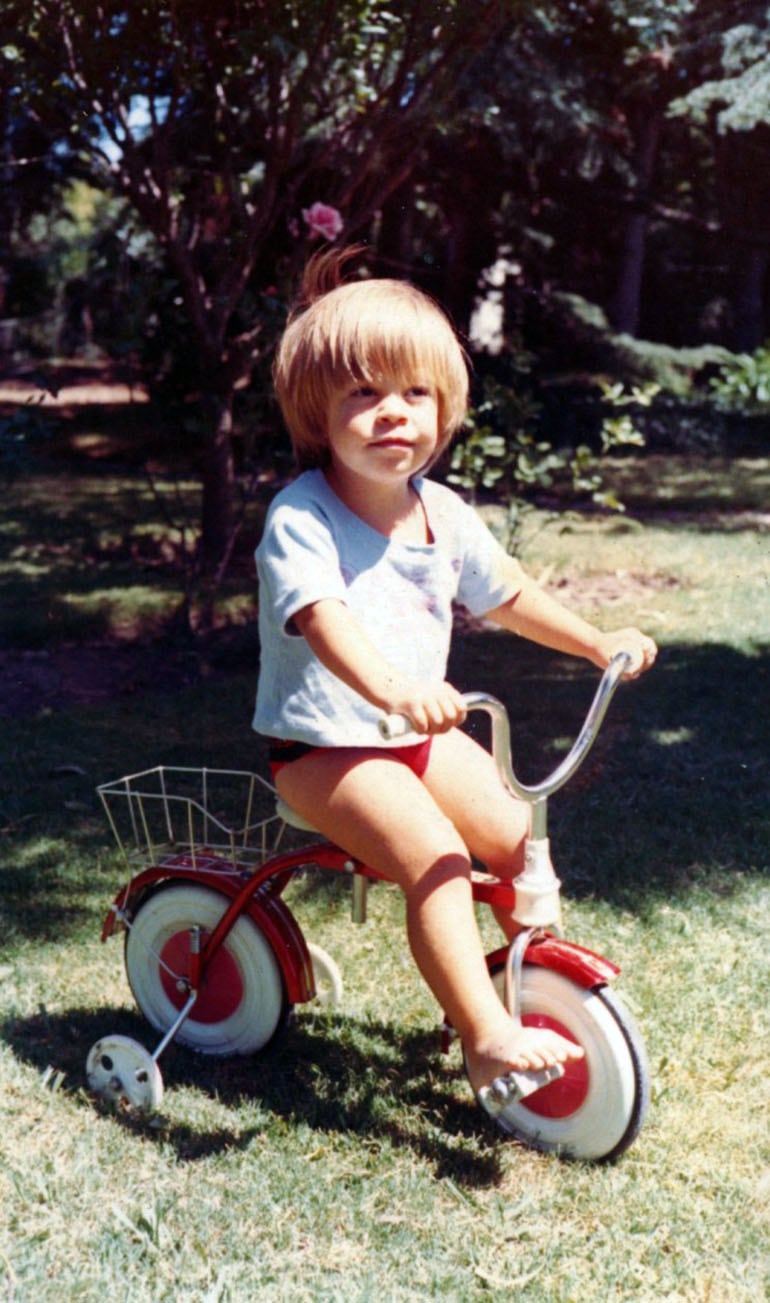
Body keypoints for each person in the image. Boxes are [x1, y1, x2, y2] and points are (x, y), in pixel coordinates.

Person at [253, 248, 657, 1112]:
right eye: (362, 394)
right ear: (317, 412)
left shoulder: (442, 512)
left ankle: (527, 981)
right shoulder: (302, 516)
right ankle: (484, 1040)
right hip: (324, 748)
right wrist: (395, 688)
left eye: (415, 394)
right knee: (435, 859)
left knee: (519, 835)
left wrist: (593, 642)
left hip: (415, 737)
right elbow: (324, 620)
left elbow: (508, 592)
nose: (392, 413)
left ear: (445, 409)